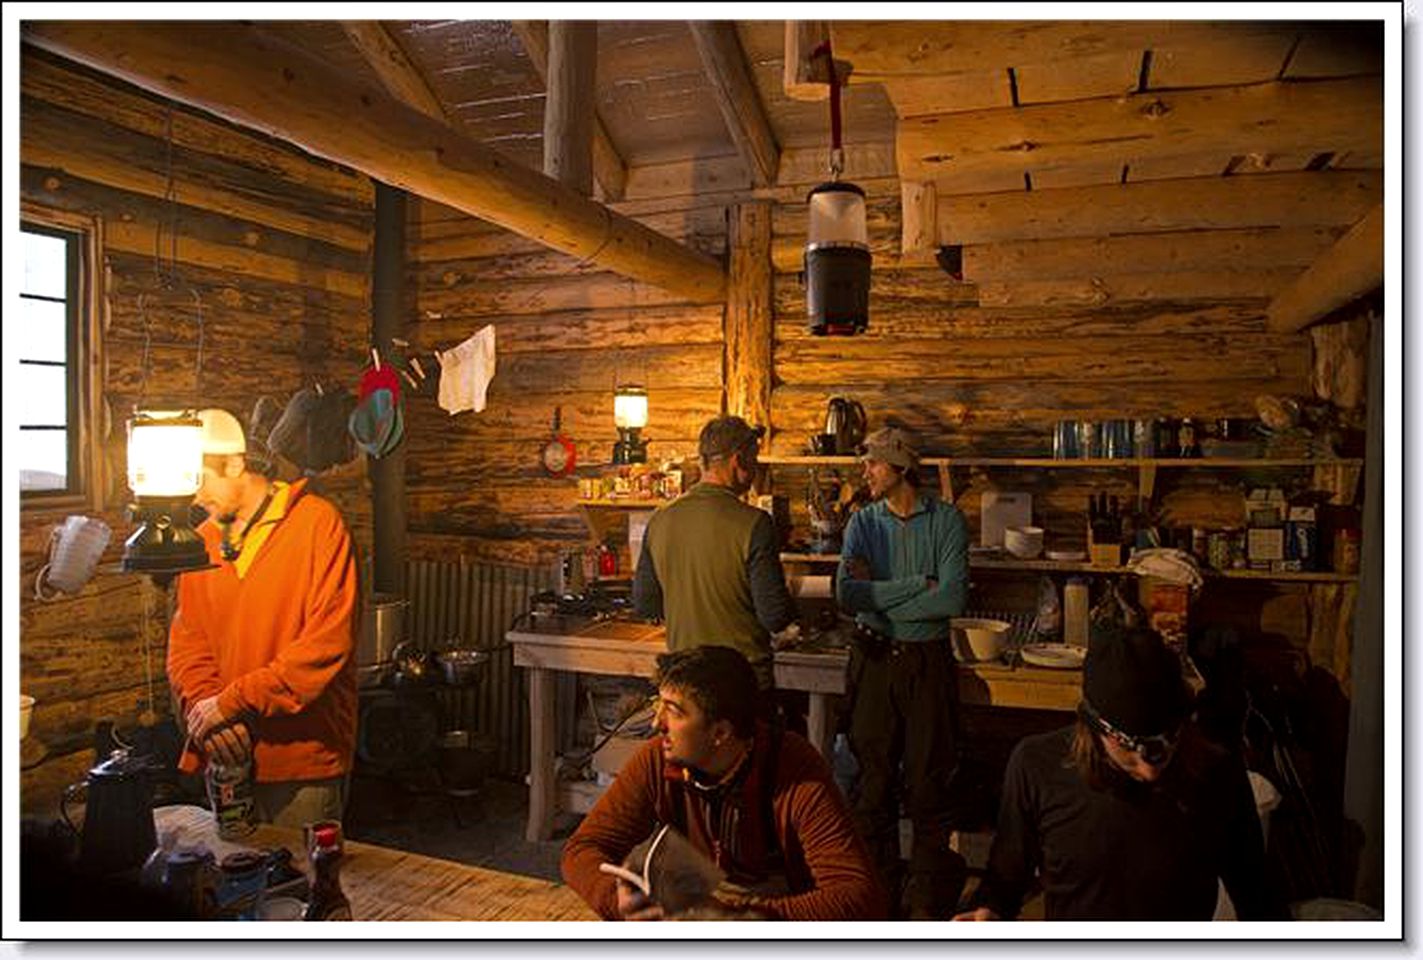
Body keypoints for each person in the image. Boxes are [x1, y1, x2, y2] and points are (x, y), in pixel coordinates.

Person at [955, 627, 1284, 921]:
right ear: (1095, 726)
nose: (1150, 769)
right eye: (1132, 748)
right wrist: (991, 911)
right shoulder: (1037, 766)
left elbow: (1257, 895)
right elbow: (1006, 877)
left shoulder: (1216, 771)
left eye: (1168, 742)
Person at [561, 646, 888, 921]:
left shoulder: (793, 767)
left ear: (720, 733)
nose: (657, 723)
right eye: (657, 705)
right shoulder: (658, 759)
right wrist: (617, 899)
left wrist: (737, 918)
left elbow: (856, 896)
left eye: (674, 711)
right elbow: (583, 849)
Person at [167, 407, 359, 827]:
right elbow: (187, 646)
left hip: (298, 758)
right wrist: (209, 715)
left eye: (200, 479)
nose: (196, 497)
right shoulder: (202, 544)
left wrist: (230, 704)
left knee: (301, 881)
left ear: (235, 464)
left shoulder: (316, 526)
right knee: (234, 880)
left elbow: (325, 647)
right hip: (226, 751)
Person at [835, 425, 969, 919]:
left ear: (900, 467)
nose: (865, 472)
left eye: (872, 463)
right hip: (873, 662)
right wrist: (917, 585)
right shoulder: (863, 524)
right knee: (871, 788)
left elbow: (952, 598)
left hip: (927, 665)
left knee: (928, 785)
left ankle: (926, 910)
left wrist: (882, 600)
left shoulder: (948, 521)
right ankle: (878, 901)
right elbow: (848, 596)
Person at [633, 415, 795, 695]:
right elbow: (774, 615)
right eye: (754, 459)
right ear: (738, 460)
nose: (755, 468)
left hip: (683, 683)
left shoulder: (660, 519)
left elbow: (646, 604)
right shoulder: (755, 524)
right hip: (742, 684)